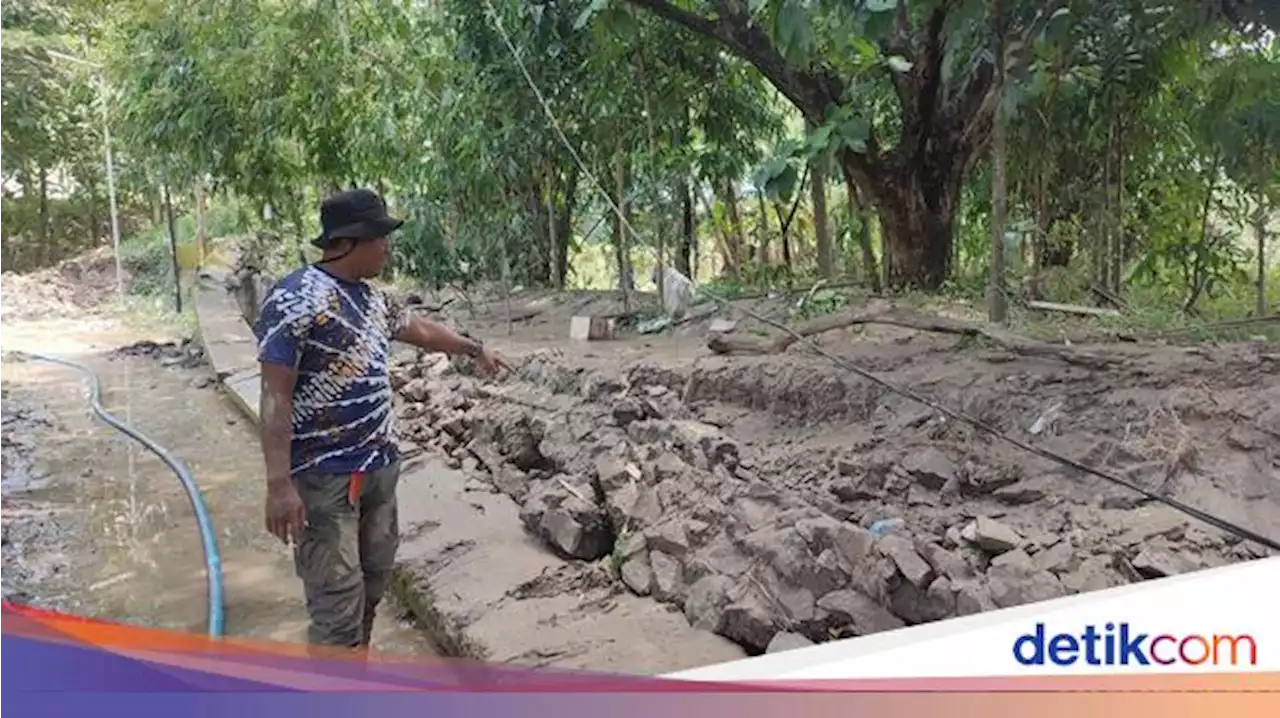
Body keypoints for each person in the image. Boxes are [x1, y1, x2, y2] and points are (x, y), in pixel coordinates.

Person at [252, 188, 508, 652]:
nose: (387, 247)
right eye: (381, 237)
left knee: (370, 591)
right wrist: (278, 485)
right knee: (336, 606)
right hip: (323, 480)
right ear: (351, 240)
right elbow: (275, 397)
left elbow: (423, 331)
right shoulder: (294, 300)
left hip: (379, 469)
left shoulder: (372, 300)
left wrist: (474, 348)